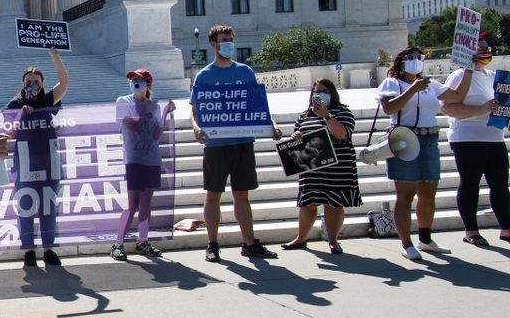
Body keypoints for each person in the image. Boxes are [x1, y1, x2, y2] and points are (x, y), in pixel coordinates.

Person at [190, 25, 283, 262]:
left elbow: (258, 106)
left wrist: (271, 124)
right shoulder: (204, 76)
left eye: (231, 39)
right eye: (224, 40)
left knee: (242, 195)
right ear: (214, 44)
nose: (229, 43)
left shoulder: (245, 72)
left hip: (243, 142)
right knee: (213, 195)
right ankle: (212, 244)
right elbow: (195, 108)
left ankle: (249, 243)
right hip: (216, 144)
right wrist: (196, 127)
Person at [377, 47, 449, 260]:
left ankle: (425, 239)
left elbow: (456, 95)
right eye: (411, 57)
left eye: (419, 57)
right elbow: (389, 108)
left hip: (429, 138)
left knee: (428, 193)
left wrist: (470, 69)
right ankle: (406, 243)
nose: (416, 60)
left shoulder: (428, 85)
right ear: (400, 62)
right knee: (405, 195)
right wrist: (412, 90)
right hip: (404, 138)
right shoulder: (393, 82)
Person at [438, 38, 510, 246]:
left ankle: (506, 228)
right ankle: (471, 230)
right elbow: (447, 108)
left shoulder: (495, 76)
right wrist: (482, 109)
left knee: (500, 185)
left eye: (487, 47)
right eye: (480, 48)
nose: (486, 51)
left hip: (495, 137)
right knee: (470, 184)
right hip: (468, 138)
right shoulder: (458, 76)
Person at [5, 48, 69, 266]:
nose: (32, 83)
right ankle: (29, 250)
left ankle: (49, 249)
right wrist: (22, 112)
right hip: (25, 162)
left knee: (48, 207)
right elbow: (9, 131)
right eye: (29, 80)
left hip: (48, 161)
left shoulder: (48, 99)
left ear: (42, 83)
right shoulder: (14, 103)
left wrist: (54, 54)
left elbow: (64, 82)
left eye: (36, 80)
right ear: (22, 84)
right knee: (25, 206)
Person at [281, 79, 361, 254]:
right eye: (316, 92)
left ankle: (333, 241)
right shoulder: (304, 115)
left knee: (333, 204)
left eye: (324, 91)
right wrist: (296, 136)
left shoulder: (342, 111)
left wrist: (326, 115)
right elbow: (298, 136)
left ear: (332, 93)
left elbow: (342, 134)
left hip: (337, 166)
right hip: (312, 167)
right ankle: (300, 238)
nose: (319, 95)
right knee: (308, 203)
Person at [111, 69, 174, 260]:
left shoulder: (153, 105)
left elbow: (155, 134)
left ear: (147, 84)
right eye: (133, 80)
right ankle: (118, 243)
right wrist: (144, 107)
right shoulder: (123, 101)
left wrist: (163, 113)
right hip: (133, 158)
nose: (135, 83)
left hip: (151, 158)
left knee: (146, 201)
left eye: (139, 80)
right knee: (133, 203)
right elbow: (131, 125)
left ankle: (143, 240)